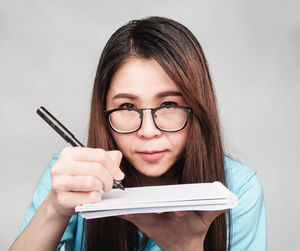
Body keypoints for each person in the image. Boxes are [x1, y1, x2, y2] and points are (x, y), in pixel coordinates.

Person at [9, 16, 266, 251]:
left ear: (198, 108)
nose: (148, 131)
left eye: (169, 105)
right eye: (127, 107)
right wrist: (54, 209)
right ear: (103, 110)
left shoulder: (238, 189)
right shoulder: (75, 175)